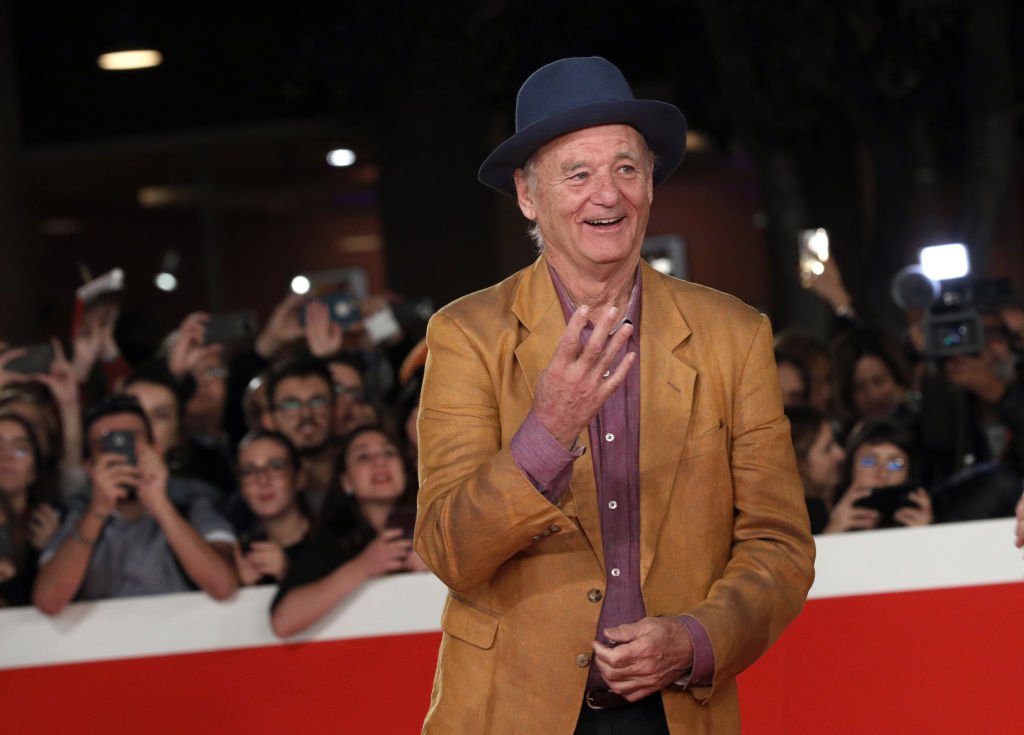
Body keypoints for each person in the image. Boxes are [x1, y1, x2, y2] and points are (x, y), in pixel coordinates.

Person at [414, 57, 815, 734]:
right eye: (578, 173)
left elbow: (779, 542)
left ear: (651, 182)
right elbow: (449, 548)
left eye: (626, 168)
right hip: (510, 712)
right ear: (528, 193)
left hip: (677, 710)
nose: (609, 194)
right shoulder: (465, 336)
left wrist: (696, 637)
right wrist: (547, 428)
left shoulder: (734, 336)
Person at [32, 395, 238, 614]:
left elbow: (223, 586)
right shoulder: (76, 515)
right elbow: (48, 601)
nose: (121, 454)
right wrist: (98, 509)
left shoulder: (194, 504)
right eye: (106, 445)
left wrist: (159, 504)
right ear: (90, 466)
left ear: (156, 450)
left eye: (131, 441)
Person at [269, 424, 425, 638]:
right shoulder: (331, 541)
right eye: (363, 457)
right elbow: (284, 622)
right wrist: (365, 565)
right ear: (347, 482)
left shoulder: (439, 524)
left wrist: (438, 570)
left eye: (388, 453)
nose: (379, 462)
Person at [232, 430, 311, 586]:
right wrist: (246, 592)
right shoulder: (240, 554)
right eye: (249, 471)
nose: (263, 480)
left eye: (276, 466)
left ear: (300, 477)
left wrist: (288, 575)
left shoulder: (337, 541)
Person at [0, 412, 62, 606]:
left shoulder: (49, 521)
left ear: (33, 471)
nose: (7, 455)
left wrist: (49, 550)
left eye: (21, 449)